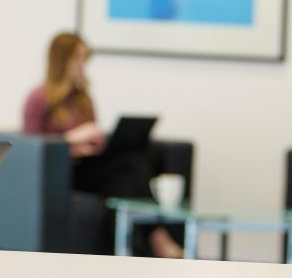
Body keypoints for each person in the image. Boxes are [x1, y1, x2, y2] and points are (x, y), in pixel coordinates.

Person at [23, 32, 182, 258]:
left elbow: (94, 139)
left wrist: (91, 144)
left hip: (90, 165)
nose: (82, 65)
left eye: (84, 59)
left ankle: (121, 249)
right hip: (64, 174)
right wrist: (69, 142)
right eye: (78, 59)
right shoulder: (38, 99)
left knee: (124, 177)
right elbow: (31, 150)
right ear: (62, 60)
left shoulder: (83, 99)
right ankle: (156, 237)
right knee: (131, 162)